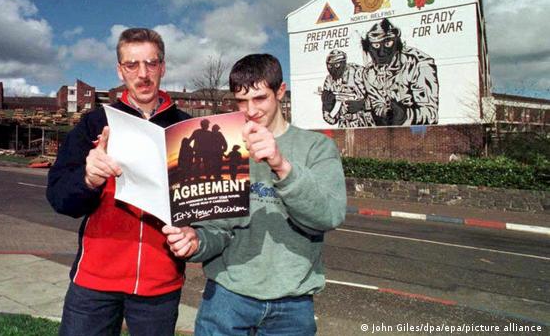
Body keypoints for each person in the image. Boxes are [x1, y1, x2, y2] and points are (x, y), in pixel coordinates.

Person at [163, 54, 347, 335]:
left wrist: (281, 165)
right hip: (227, 296)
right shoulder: (229, 146)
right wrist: (195, 241)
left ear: (280, 92)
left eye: (260, 98)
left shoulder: (316, 148)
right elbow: (219, 229)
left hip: (292, 304)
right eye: (241, 101)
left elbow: (328, 216)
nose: (250, 110)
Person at [47, 28, 190, 336]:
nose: (143, 74)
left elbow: (204, 204)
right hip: (94, 282)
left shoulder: (187, 127)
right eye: (132, 65)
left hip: (159, 284)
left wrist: (195, 233)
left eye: (151, 63)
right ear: (119, 69)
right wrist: (87, 179)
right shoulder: (94, 123)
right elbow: (59, 198)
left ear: (163, 67)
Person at [360, 18, 439, 126]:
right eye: (376, 46)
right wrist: (386, 113)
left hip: (417, 133)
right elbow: (377, 103)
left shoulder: (418, 64)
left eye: (387, 44)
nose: (382, 53)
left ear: (397, 43)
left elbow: (431, 113)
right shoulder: (369, 73)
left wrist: (406, 116)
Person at [320, 49, 374, 127]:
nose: (333, 69)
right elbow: (330, 118)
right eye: (330, 66)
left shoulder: (358, 72)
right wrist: (328, 106)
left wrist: (362, 105)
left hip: (365, 122)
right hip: (344, 124)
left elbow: (379, 98)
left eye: (336, 65)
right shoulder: (329, 80)